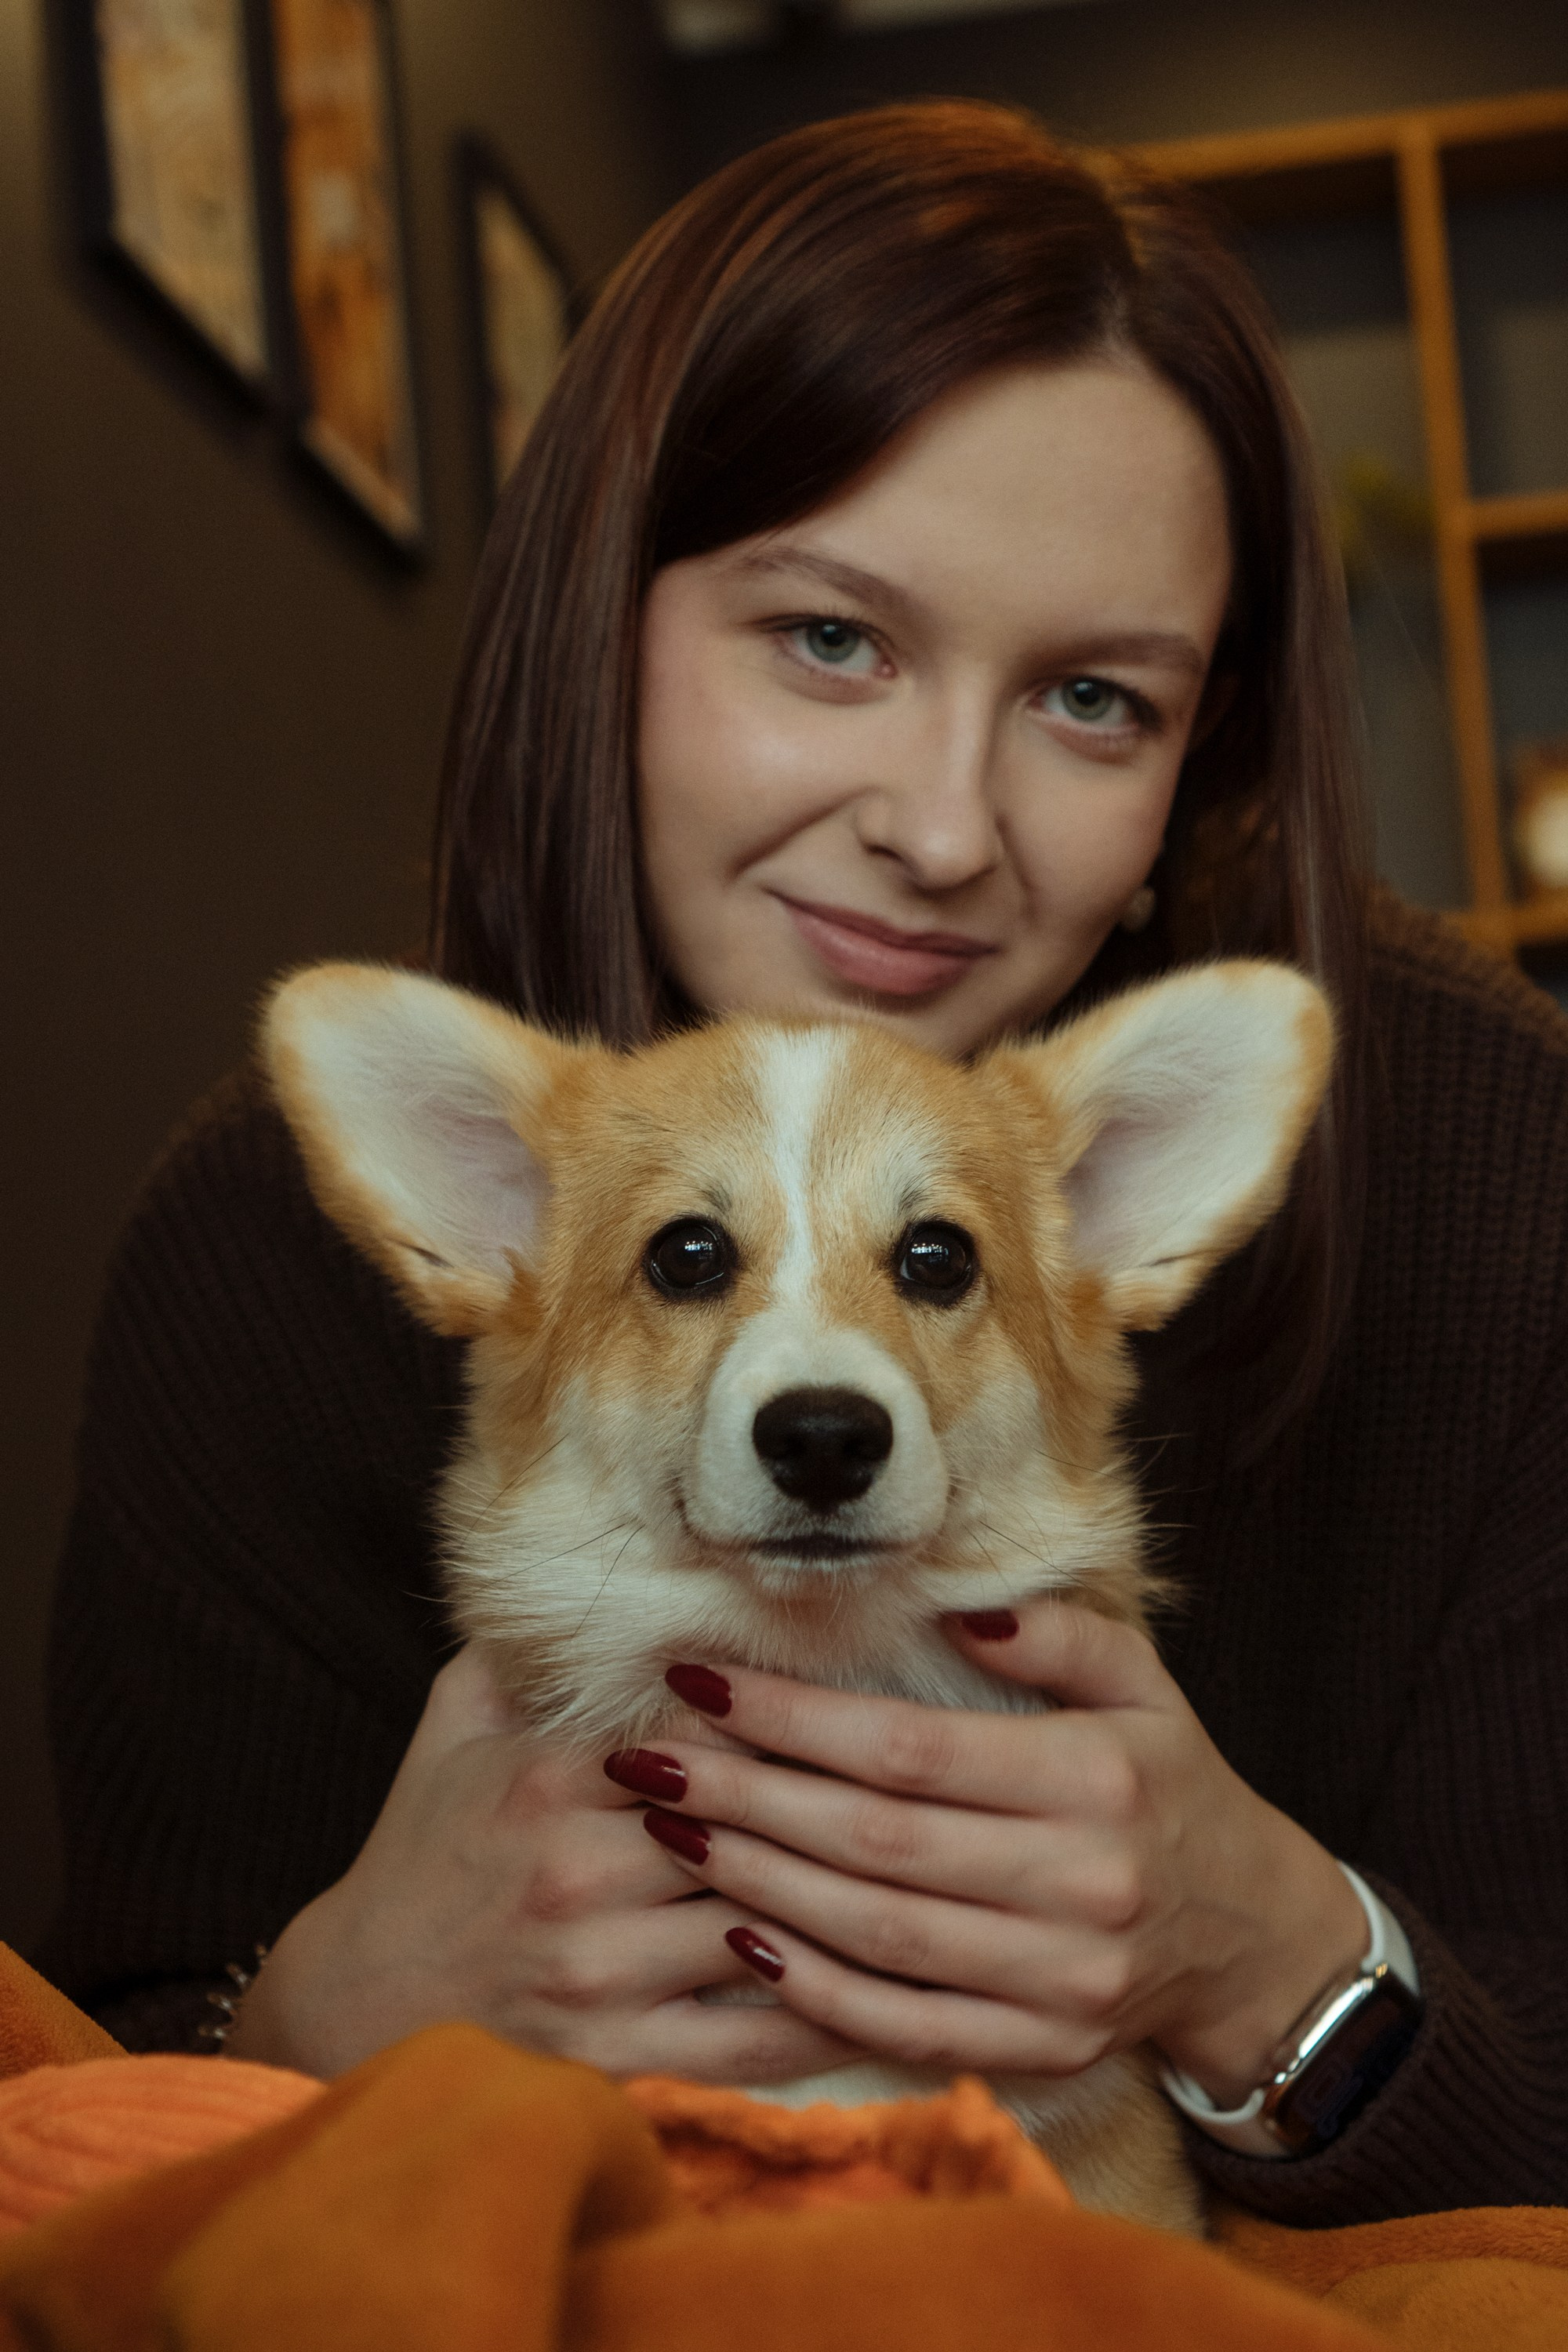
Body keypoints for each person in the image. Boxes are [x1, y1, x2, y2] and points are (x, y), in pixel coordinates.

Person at [42, 102, 1567, 2230]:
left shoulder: (1500, 1162)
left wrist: (1268, 1960)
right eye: (832, 638)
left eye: (1094, 700)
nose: (942, 826)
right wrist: (322, 2020)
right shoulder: (271, 1238)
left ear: (1202, 749)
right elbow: (99, 2092)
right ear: (604, 616)